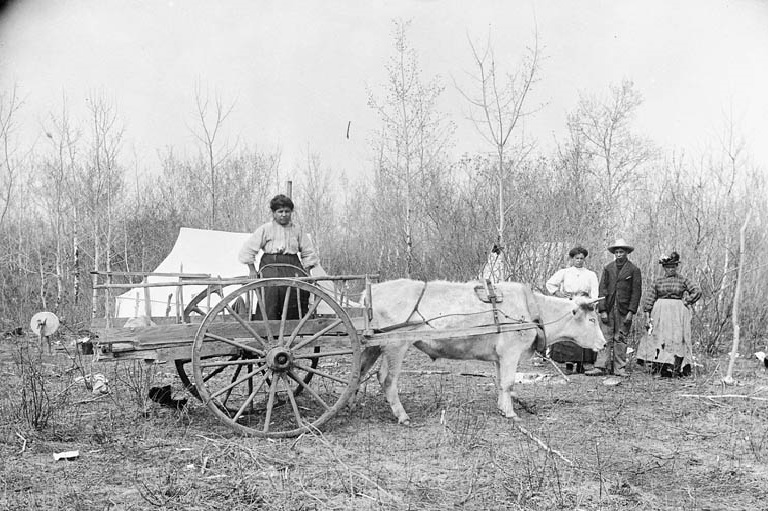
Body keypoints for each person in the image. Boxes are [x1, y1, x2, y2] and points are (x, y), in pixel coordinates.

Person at [238, 194, 321, 320]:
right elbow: (248, 250)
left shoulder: (297, 230)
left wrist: (307, 272)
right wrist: (252, 270)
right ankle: (267, 328)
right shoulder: (266, 229)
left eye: (287, 211)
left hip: (292, 265)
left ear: (291, 212)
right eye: (280, 211)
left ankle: (294, 326)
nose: (283, 214)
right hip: (270, 266)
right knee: (270, 292)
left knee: (298, 290)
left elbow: (308, 252)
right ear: (273, 213)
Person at [636, 252, 701, 377]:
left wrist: (687, 301)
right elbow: (650, 298)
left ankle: (676, 367)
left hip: (677, 313)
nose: (670, 269)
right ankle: (659, 367)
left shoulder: (683, 280)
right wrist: (647, 315)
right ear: (664, 268)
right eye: (668, 267)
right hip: (660, 312)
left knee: (677, 337)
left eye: (673, 267)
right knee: (659, 337)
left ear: (677, 267)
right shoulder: (658, 281)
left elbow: (697, 291)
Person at [585, 239, 642, 377]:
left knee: (620, 338)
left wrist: (631, 312)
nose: (619, 254)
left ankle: (619, 368)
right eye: (616, 252)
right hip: (609, 308)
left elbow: (636, 293)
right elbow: (602, 290)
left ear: (627, 252)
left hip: (624, 309)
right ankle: (601, 366)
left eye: (621, 251)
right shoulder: (608, 268)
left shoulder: (634, 270)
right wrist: (603, 310)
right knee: (604, 337)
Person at [545, 246, 600, 374]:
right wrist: (559, 294)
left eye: (582, 258)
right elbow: (550, 284)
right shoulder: (565, 272)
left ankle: (582, 363)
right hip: (568, 304)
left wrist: (592, 303)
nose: (579, 261)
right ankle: (568, 363)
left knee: (583, 330)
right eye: (576, 258)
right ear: (572, 259)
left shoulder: (590, 274)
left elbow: (595, 292)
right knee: (568, 331)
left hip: (584, 304)